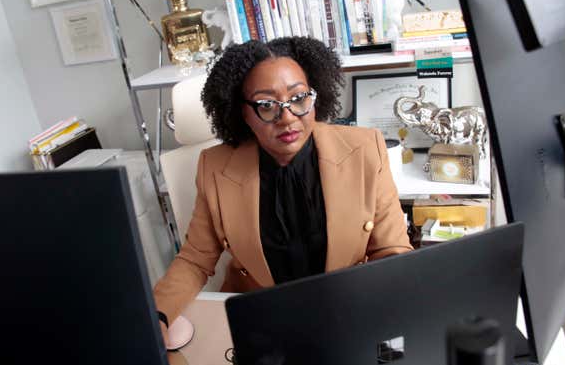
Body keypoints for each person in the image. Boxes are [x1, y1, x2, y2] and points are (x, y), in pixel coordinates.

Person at [154, 36, 413, 341]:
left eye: (299, 98)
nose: (287, 117)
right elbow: (195, 259)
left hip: (348, 310)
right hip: (261, 320)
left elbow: (391, 251)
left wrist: (391, 332)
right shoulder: (215, 166)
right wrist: (156, 317)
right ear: (243, 112)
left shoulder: (365, 149)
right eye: (266, 105)